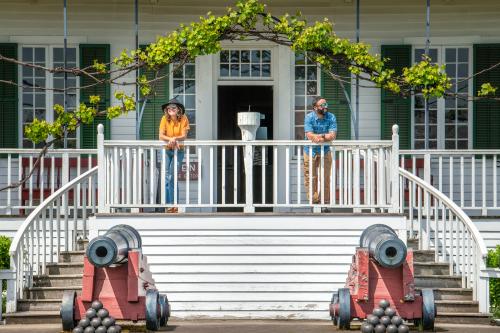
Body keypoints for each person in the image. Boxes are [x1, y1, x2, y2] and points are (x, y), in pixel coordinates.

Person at [303, 96, 337, 211]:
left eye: (326, 104)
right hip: (310, 151)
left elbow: (332, 135)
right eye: (322, 105)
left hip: (326, 150)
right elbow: (310, 135)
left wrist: (321, 137)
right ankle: (314, 202)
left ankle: (325, 204)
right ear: (315, 107)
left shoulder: (331, 117)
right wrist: (323, 136)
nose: (325, 107)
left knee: (325, 177)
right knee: (310, 177)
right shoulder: (309, 117)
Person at [159, 98, 190, 213]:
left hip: (179, 150)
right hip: (167, 150)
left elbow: (183, 136)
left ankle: (174, 204)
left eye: (173, 107)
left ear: (178, 110)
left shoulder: (184, 119)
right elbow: (161, 136)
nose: (171, 109)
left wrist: (175, 138)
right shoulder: (164, 119)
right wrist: (171, 139)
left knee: (172, 177)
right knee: (167, 177)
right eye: (169, 108)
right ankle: (169, 205)